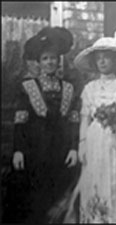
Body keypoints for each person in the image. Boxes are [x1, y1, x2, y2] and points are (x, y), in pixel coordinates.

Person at [69, 30, 116, 223]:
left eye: (107, 58)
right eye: (99, 59)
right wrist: (82, 143)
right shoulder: (89, 88)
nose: (102, 62)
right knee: (95, 177)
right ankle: (96, 218)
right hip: (95, 139)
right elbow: (85, 119)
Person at [7, 27, 79, 224]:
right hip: (34, 149)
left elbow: (73, 121)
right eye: (45, 58)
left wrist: (73, 148)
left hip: (61, 149)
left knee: (59, 194)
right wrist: (18, 150)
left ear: (59, 61)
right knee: (35, 197)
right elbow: (20, 121)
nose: (50, 62)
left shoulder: (69, 88)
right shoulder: (28, 87)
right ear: (39, 62)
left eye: (53, 58)